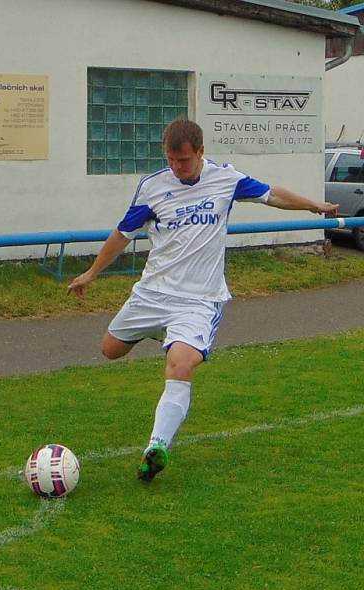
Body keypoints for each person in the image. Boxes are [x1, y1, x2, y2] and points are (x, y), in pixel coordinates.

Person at [67, 118, 337, 482]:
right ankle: (167, 333)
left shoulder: (226, 179)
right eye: (171, 160)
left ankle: (156, 446)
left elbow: (273, 194)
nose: (177, 167)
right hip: (152, 293)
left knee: (180, 365)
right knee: (110, 349)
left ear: (201, 152)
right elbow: (122, 233)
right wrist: (91, 273)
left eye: (185, 160)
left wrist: (313, 205)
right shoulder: (152, 187)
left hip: (199, 299)